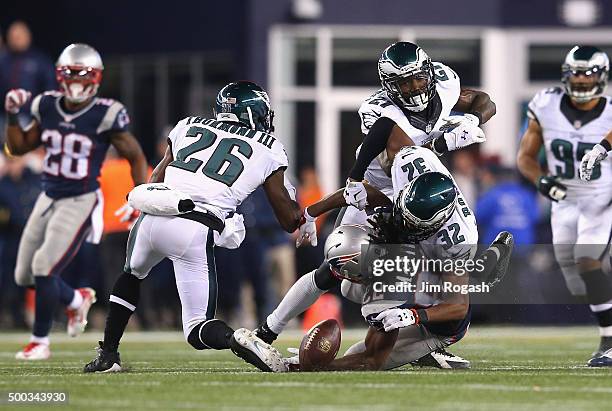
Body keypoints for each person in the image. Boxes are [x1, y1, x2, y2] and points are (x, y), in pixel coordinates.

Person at [252, 41, 495, 368]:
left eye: (418, 80)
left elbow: (483, 100)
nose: (413, 89)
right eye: (403, 83)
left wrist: (474, 120)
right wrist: (313, 211)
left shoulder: (444, 87)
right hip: (387, 199)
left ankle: (420, 340)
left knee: (409, 290)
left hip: (410, 203)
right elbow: (380, 165)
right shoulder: (386, 127)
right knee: (340, 262)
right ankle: (268, 330)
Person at [84, 81, 302, 373]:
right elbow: (288, 221)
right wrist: (305, 215)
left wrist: (142, 199)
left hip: (153, 219)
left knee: (131, 275)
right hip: (195, 228)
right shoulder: (269, 148)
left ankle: (108, 354)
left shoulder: (187, 125)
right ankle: (235, 337)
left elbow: (159, 175)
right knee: (197, 329)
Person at [5, 43, 148, 360]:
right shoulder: (46, 105)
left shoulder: (106, 113)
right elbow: (18, 149)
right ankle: (74, 301)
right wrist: (15, 116)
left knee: (43, 266)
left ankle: (40, 341)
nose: (76, 84)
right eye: (70, 77)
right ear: (59, 76)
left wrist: (141, 194)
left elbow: (135, 155)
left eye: (82, 77)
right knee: (24, 276)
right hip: (48, 195)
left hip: (80, 199)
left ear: (95, 79)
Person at [517, 45, 612, 367]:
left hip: (601, 198)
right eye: (576, 73)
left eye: (589, 74)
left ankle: (609, 342)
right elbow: (525, 158)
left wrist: (603, 147)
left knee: (588, 260)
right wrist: (542, 181)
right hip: (564, 200)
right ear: (565, 75)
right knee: (576, 278)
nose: (582, 80)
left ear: (602, 76)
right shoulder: (545, 104)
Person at [0, 21, 55, 125]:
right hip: (3, 113)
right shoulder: (3, 59)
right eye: (13, 36)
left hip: (28, 114)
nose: (16, 39)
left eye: (19, 36)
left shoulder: (39, 60)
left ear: (28, 37)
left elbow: (49, 89)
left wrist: (39, 110)